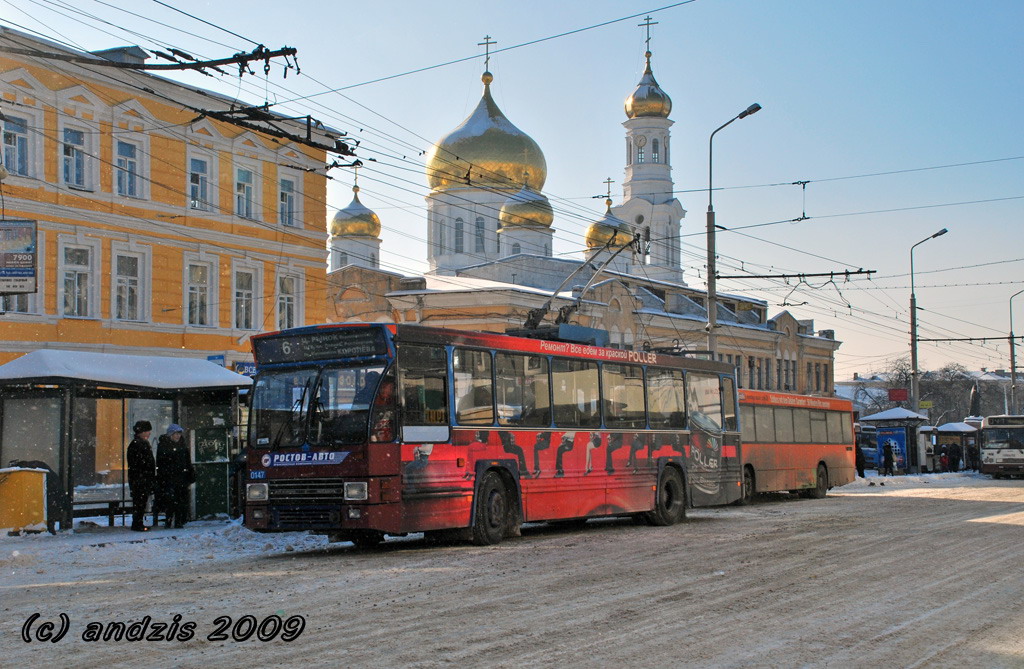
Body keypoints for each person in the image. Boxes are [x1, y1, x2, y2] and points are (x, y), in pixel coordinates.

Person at [156, 424, 195, 528]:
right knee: (171, 500)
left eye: (179, 433)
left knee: (180, 500)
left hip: (180, 477)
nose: (177, 436)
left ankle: (178, 521)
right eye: (175, 433)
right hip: (170, 478)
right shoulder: (165, 446)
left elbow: (187, 461)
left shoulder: (181, 446)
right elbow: (160, 463)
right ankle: (170, 521)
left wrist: (189, 473)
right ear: (170, 434)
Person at [127, 420, 156, 531]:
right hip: (141, 479)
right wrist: (146, 475)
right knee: (140, 502)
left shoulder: (137, 443)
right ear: (142, 431)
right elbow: (141, 463)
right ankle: (137, 524)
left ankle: (138, 523)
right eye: (147, 431)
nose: (149, 433)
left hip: (139, 479)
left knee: (140, 502)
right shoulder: (139, 444)